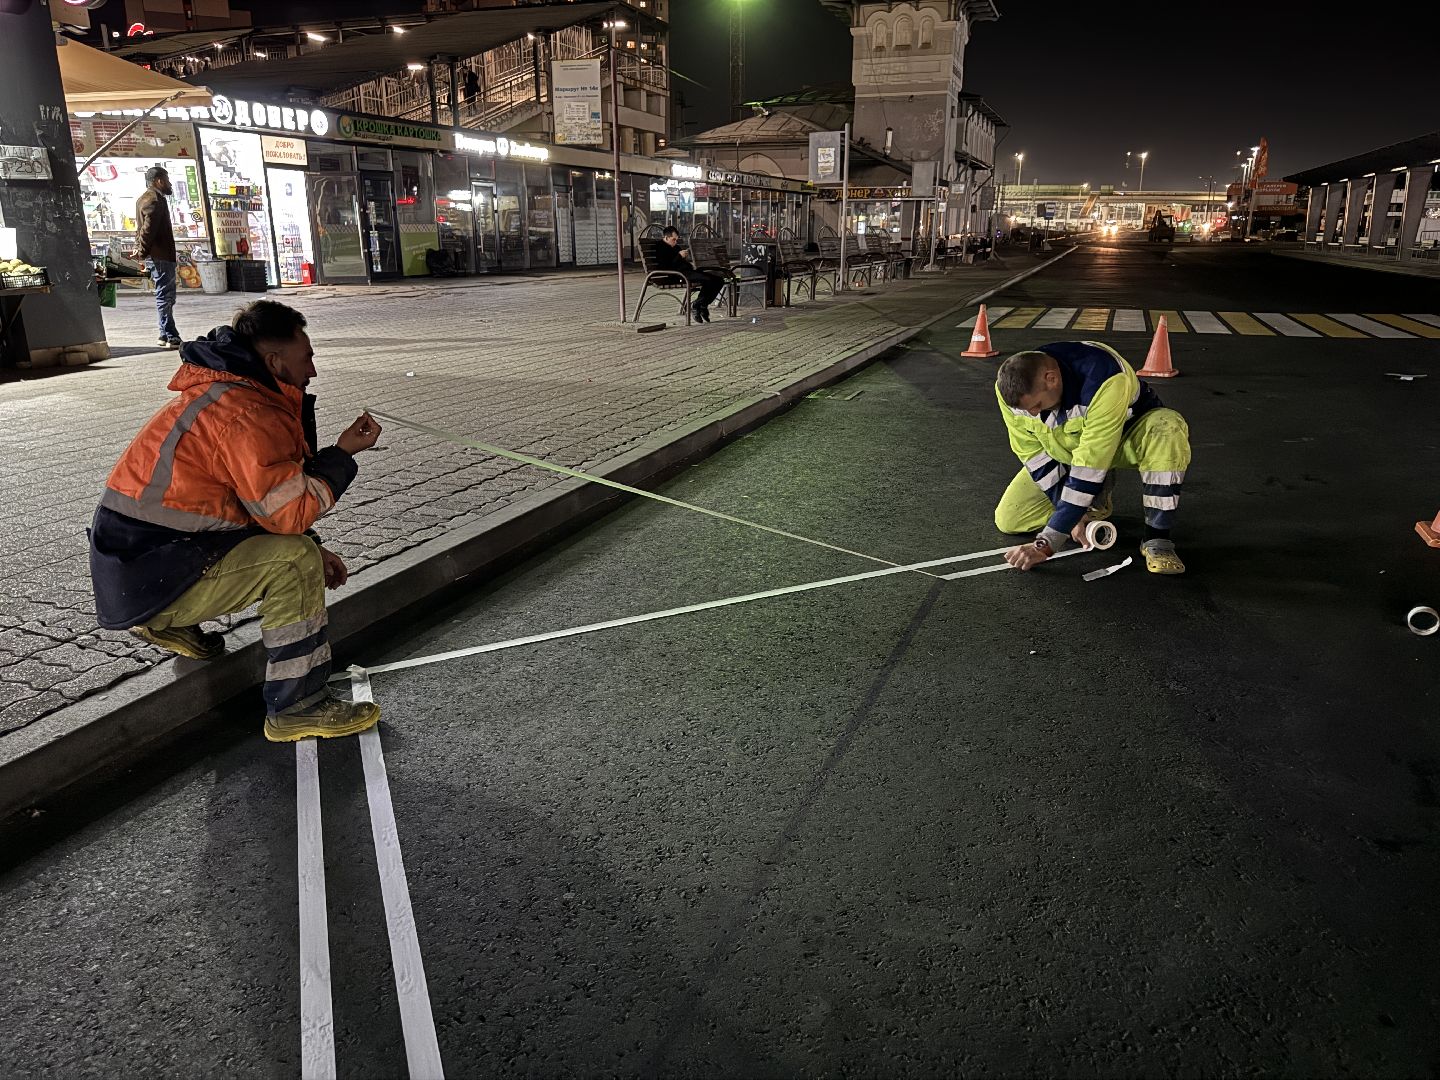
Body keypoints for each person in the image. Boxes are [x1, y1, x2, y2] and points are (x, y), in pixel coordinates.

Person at [87, 300, 385, 742]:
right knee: (293, 562)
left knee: (301, 549)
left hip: (138, 566)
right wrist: (341, 457)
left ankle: (164, 620)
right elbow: (288, 514)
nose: (314, 370)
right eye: (308, 357)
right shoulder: (248, 414)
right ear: (273, 361)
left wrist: (316, 541)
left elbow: (257, 503)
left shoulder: (233, 393)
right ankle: (297, 705)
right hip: (153, 570)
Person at [993, 342, 1190, 575]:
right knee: (1010, 520)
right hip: (1068, 452)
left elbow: (1091, 462)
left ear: (1051, 379)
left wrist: (1046, 543)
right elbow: (1034, 456)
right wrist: (1072, 518)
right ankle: (1088, 503)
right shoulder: (1010, 391)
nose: (1033, 414)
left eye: (1036, 405)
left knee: (1166, 426)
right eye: (1027, 410)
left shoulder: (1105, 379)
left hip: (1120, 444)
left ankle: (1157, 540)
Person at [136, 165, 182, 350]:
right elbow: (147, 230)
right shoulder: (154, 200)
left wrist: (140, 248)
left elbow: (140, 230)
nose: (170, 184)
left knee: (165, 295)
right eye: (167, 180)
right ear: (159, 181)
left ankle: (165, 334)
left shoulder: (144, 199)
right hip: (160, 255)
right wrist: (142, 251)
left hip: (157, 256)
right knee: (165, 295)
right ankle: (170, 335)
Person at [654, 225, 723, 323]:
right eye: (673, 239)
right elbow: (666, 267)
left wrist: (685, 258)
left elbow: (680, 262)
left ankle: (701, 305)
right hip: (676, 275)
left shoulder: (675, 247)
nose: (675, 242)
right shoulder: (660, 248)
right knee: (708, 280)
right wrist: (679, 256)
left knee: (719, 280)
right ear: (666, 238)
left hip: (686, 272)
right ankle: (697, 305)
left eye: (677, 239)